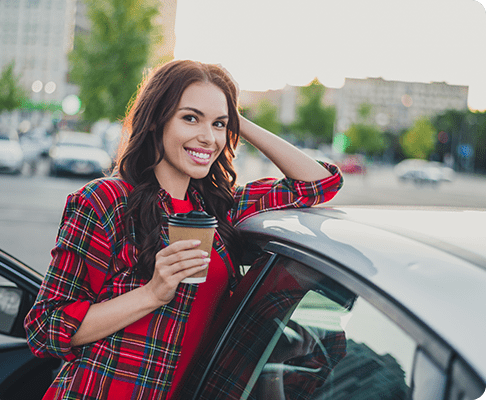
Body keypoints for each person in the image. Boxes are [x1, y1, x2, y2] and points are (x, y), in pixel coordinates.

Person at [24, 60, 343, 400]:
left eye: (219, 124)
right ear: (157, 119)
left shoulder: (220, 208)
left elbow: (321, 182)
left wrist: (237, 119)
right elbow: (45, 328)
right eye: (190, 118)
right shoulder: (104, 202)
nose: (207, 137)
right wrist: (152, 294)